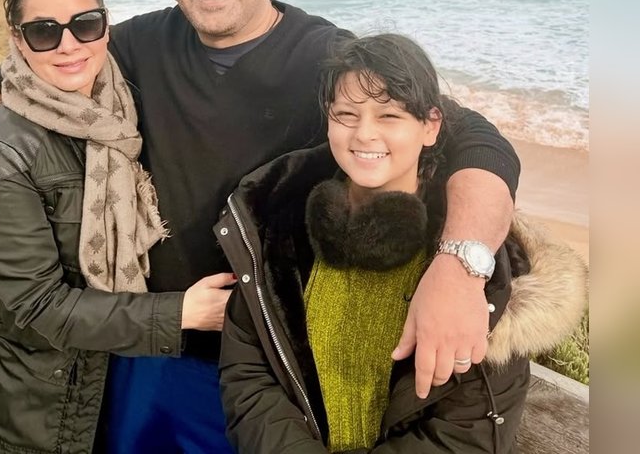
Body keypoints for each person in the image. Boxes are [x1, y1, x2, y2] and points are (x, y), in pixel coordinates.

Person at [0, 0, 520, 452]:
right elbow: (36, 59)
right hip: (149, 344)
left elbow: (475, 140)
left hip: (268, 359)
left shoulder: (326, 58)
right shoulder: (139, 43)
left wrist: (459, 268)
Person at [216, 34, 588, 453]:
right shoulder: (278, 225)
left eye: (389, 115)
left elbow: (464, 432)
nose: (364, 134)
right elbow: (249, 373)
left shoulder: (479, 266)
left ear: (431, 125)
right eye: (346, 114)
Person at [0, 0, 227, 453]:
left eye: (85, 24)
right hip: (33, 400)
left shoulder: (123, 98)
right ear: (17, 40)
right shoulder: (1, 149)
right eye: (43, 31)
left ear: (106, 26)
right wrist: (183, 312)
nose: (68, 45)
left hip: (113, 377)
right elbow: (36, 306)